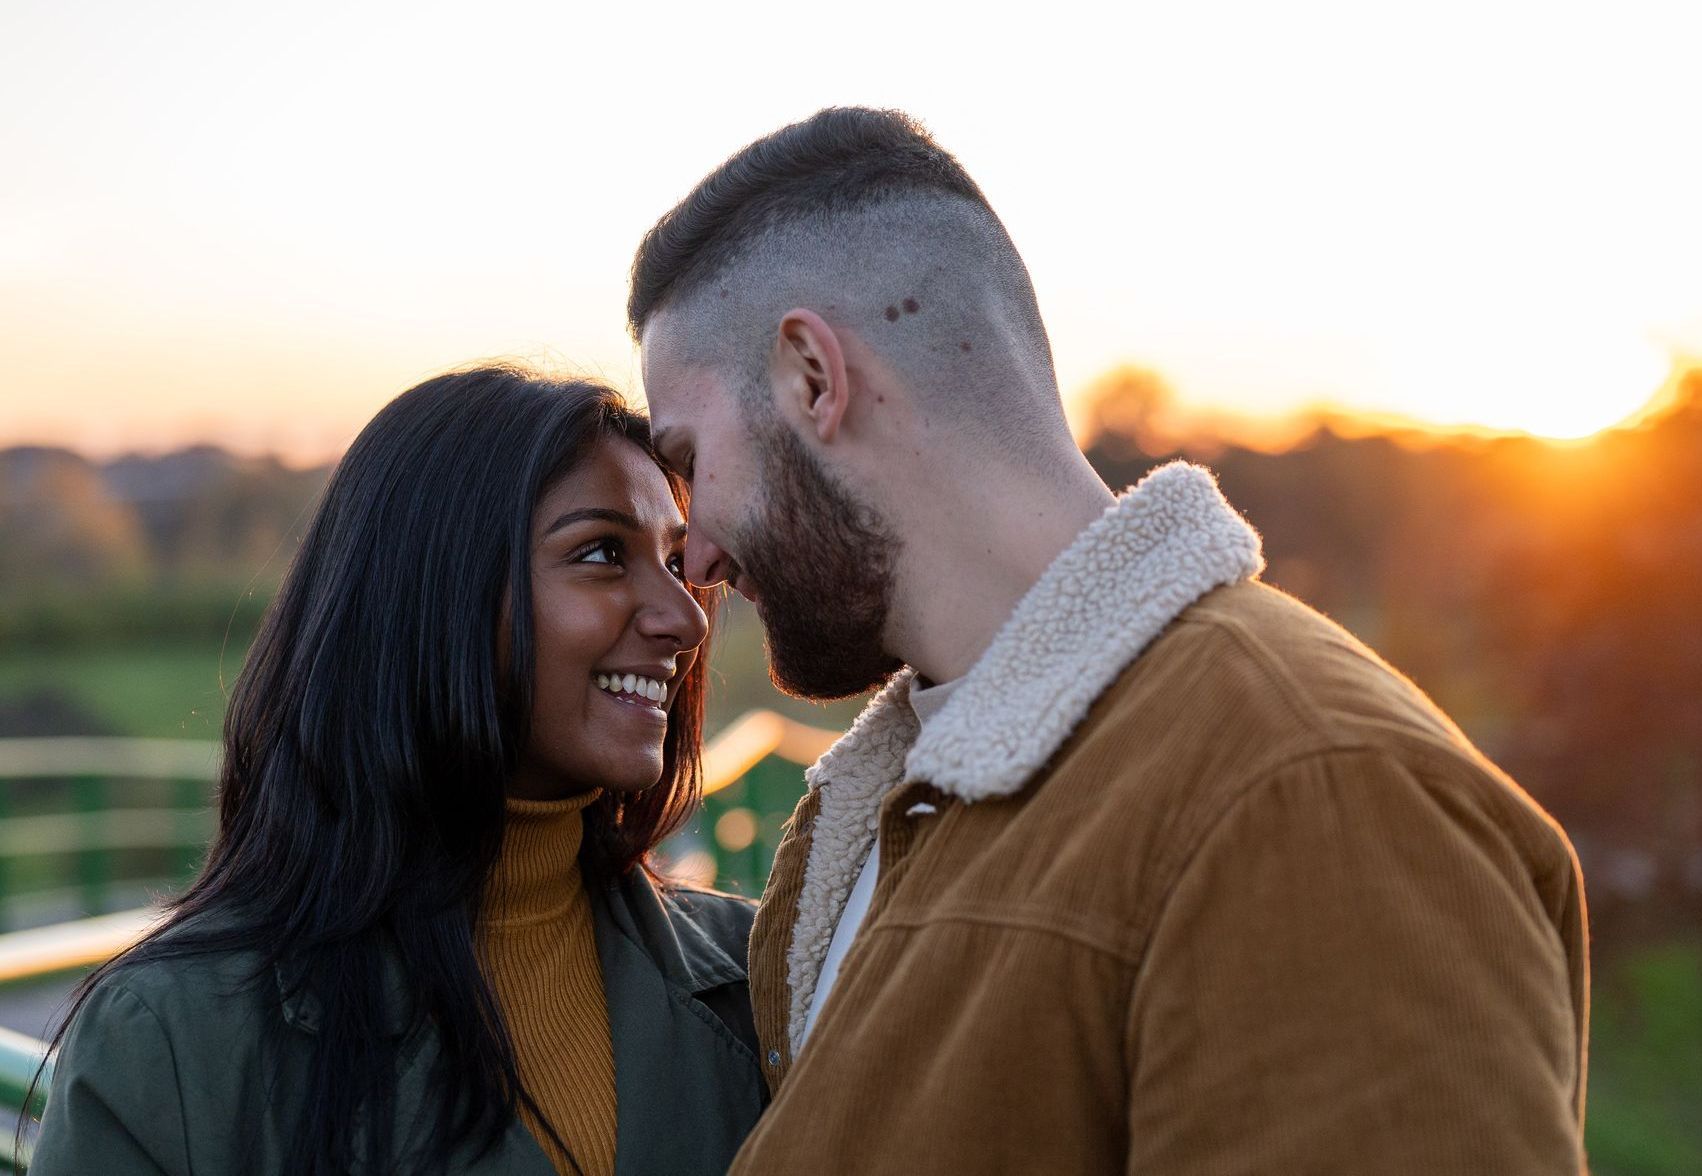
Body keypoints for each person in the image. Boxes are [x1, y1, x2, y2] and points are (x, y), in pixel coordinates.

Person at [629, 108, 1589, 1173]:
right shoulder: (868, 826)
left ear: (812, 376)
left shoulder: (1308, 787)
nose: (700, 556)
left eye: (689, 457)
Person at [27, 368, 766, 1175]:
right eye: (601, 554)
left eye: (675, 559)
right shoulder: (167, 1042)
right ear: (431, 592)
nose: (686, 618)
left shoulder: (772, 979)